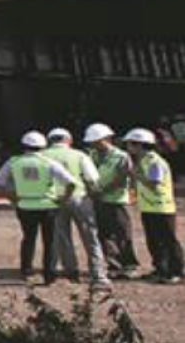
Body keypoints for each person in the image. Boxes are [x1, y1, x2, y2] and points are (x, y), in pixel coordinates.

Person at [0, 131, 74, 284]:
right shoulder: (49, 163)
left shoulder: (14, 162)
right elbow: (71, 182)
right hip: (48, 205)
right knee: (50, 241)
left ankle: (26, 270)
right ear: (43, 146)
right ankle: (49, 275)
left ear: (24, 146)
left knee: (28, 238)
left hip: (25, 205)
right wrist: (63, 199)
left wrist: (11, 197)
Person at [42, 128, 109, 288]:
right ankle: (98, 275)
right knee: (90, 237)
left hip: (54, 201)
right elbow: (92, 179)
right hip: (79, 198)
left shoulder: (42, 156)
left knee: (62, 238)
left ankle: (72, 272)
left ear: (49, 140)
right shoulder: (79, 155)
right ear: (69, 140)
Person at [126, 128, 183, 284]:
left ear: (139, 145)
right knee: (154, 241)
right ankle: (160, 269)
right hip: (149, 208)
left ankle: (176, 271)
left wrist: (135, 175)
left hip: (162, 208)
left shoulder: (155, 161)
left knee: (168, 240)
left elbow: (154, 184)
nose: (128, 148)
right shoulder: (144, 160)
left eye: (130, 144)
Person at [85, 123, 141, 279]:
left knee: (122, 232)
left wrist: (103, 191)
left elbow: (123, 177)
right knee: (104, 234)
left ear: (107, 139)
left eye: (97, 141)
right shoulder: (91, 155)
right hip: (98, 200)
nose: (94, 144)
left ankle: (129, 265)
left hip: (116, 200)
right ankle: (114, 265)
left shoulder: (121, 156)